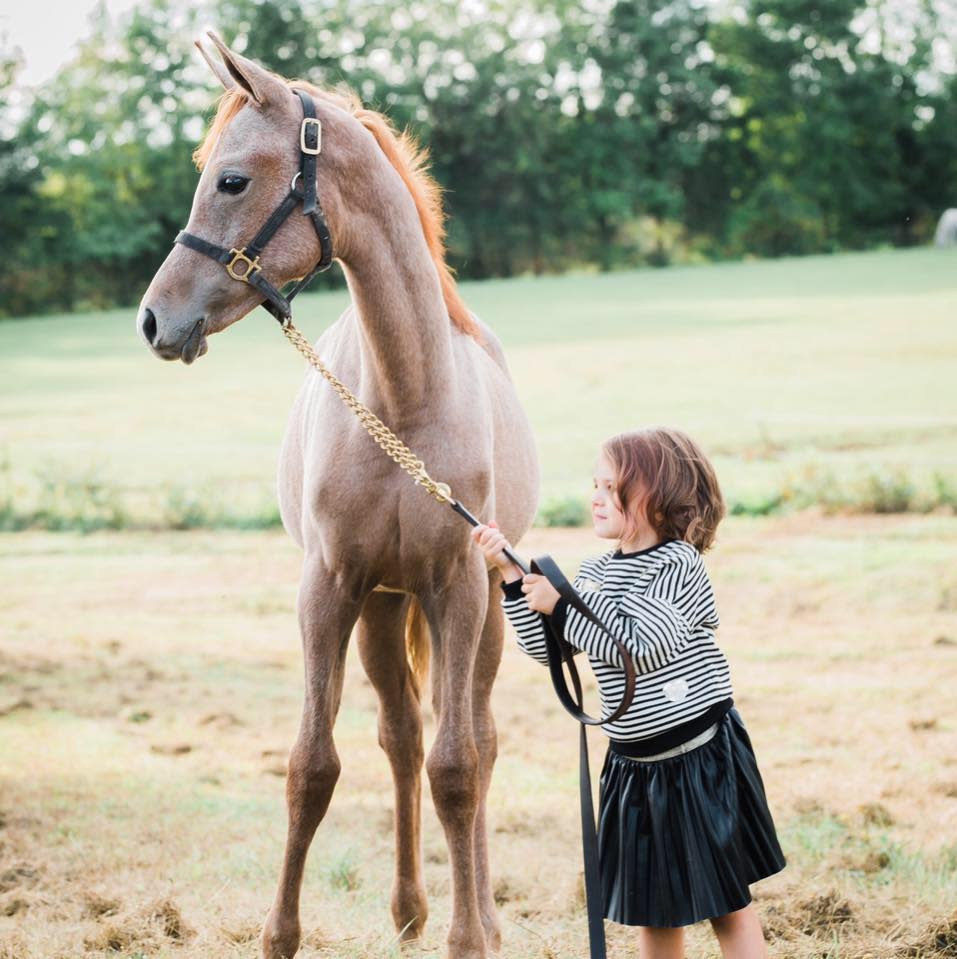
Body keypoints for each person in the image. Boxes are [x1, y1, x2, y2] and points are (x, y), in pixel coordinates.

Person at [471, 427, 785, 959]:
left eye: (610, 485)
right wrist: (510, 575)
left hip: (697, 759)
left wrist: (563, 607)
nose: (594, 496)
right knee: (653, 909)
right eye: (594, 483)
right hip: (634, 764)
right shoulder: (595, 571)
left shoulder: (678, 566)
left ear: (657, 497)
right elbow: (552, 650)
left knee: (727, 903)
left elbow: (640, 647)